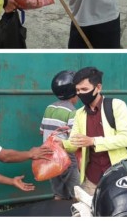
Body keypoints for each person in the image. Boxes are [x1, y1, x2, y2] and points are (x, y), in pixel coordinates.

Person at [55, 67, 127, 195]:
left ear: (98, 88)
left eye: (84, 89)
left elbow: (125, 138)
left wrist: (92, 141)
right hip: (91, 179)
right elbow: (74, 143)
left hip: (119, 176)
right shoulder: (79, 114)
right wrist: (62, 144)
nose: (80, 93)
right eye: (77, 90)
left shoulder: (117, 105)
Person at [39, 70, 80, 200]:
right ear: (75, 93)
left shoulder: (49, 108)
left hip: (49, 157)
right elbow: (73, 139)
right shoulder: (73, 112)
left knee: (58, 194)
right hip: (66, 157)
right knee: (77, 193)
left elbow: (41, 131)